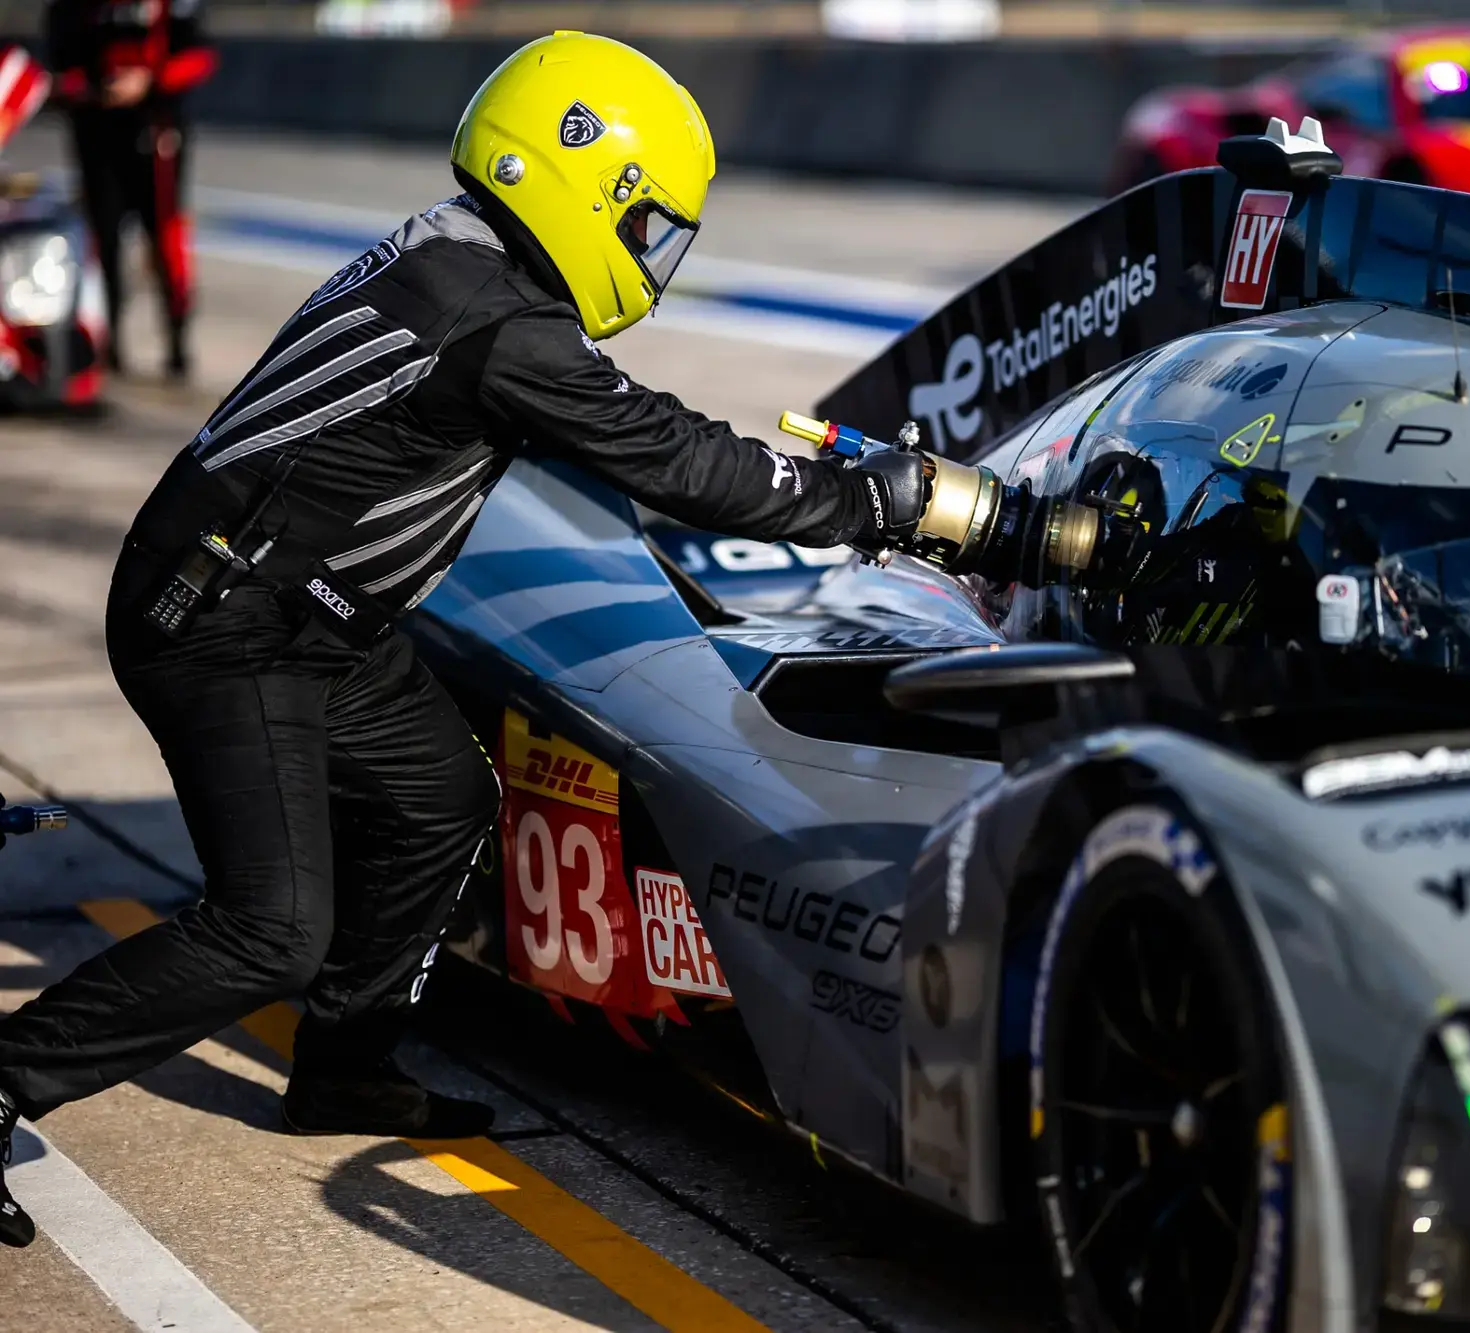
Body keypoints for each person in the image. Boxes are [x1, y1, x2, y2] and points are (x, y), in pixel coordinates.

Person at [0, 31, 927, 1250]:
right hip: (230, 620)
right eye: (647, 226)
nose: (650, 255)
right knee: (269, 926)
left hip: (307, 608)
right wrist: (878, 503)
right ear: (585, 190)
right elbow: (684, 461)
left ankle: (341, 1066)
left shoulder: (461, 249)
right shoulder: (498, 323)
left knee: (441, 795)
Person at [45, 0, 215, 378]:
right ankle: (108, 344)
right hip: (97, 134)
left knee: (165, 236)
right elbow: (57, 67)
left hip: (155, 135)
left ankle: (177, 344)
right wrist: (88, 88)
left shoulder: (174, 7)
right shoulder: (71, 8)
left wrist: (149, 81)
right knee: (100, 241)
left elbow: (200, 57)